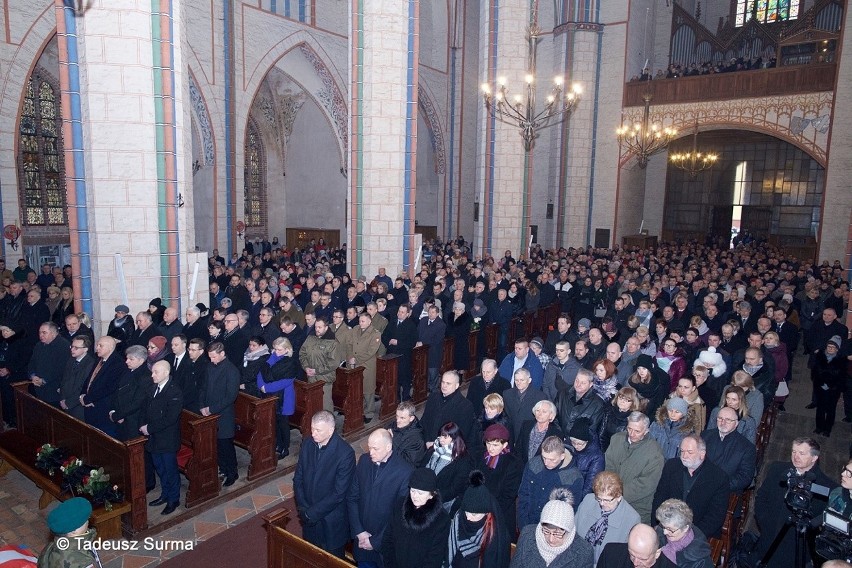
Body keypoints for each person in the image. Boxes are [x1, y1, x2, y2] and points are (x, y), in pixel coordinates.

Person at [743, 437, 838, 568]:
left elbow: (824, 518)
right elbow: (761, 496)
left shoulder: (827, 487)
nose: (796, 456)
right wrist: (764, 520)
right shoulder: (777, 469)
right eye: (794, 452)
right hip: (769, 537)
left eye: (802, 453)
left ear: (814, 457)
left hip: (796, 546)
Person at [294, 410, 356, 558]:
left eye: (318, 430)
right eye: (312, 428)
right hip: (308, 515)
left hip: (331, 522)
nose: (313, 433)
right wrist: (303, 506)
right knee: (311, 558)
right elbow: (298, 478)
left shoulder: (345, 453)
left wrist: (312, 513)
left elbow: (338, 493)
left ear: (331, 430)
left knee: (332, 561)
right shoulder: (308, 443)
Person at [347, 429, 414, 567]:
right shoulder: (364, 461)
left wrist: (375, 541)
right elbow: (352, 497)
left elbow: (400, 514)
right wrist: (359, 531)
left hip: (384, 545)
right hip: (362, 539)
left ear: (388, 447)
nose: (371, 452)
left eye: (375, 449)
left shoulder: (405, 472)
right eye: (369, 447)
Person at [651, 435, 730, 539]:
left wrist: (689, 536)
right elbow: (659, 496)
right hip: (666, 527)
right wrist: (657, 524)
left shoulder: (719, 478)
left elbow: (715, 517)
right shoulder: (671, 466)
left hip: (696, 533)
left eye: (689, 452)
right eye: (682, 451)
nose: (684, 456)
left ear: (702, 454)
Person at [381, 468, 451, 568]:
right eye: (413, 490)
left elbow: (434, 559)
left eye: (420, 493)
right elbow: (387, 540)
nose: (415, 496)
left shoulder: (442, 521)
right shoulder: (400, 505)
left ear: (432, 494)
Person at [139, 360, 183, 515]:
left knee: (170, 470)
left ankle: (173, 499)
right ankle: (165, 494)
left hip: (166, 438)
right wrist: (143, 424)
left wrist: (149, 428)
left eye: (156, 372)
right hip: (154, 438)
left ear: (166, 373)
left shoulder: (174, 392)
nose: (152, 375)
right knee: (160, 468)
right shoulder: (153, 388)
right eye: (152, 372)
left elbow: (170, 418)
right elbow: (145, 408)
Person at [604, 411, 665, 524]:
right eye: (629, 429)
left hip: (637, 507)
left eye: (637, 431)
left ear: (646, 431)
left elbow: (646, 484)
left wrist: (617, 494)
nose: (632, 434)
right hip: (611, 498)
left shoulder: (654, 452)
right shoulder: (616, 439)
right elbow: (609, 466)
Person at [511, 488, 595, 568]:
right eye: (546, 531)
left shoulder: (584, 552)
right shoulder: (527, 535)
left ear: (568, 530)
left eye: (557, 533)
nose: (551, 539)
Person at [447, 471, 512, 567]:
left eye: (474, 514)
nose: (468, 518)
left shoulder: (495, 537)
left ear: (486, 514)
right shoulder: (459, 518)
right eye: (466, 512)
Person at [575, 471, 641, 563]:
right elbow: (573, 532)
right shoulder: (588, 500)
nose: (602, 503)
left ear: (619, 496)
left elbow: (622, 558)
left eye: (607, 500)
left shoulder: (632, 519)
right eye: (599, 498)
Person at [518, 436, 584, 528]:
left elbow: (569, 511)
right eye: (544, 457)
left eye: (552, 460)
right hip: (528, 523)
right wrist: (523, 524)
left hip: (551, 530)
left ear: (562, 456)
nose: (546, 463)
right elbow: (523, 495)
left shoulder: (573, 477)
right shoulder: (533, 464)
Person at [201, 341, 240, 486]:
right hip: (209, 411)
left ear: (222, 354)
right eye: (209, 357)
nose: (211, 360)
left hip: (224, 415)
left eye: (213, 357)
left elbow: (230, 397)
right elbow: (203, 387)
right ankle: (222, 468)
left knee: (225, 445)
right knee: (216, 444)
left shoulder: (231, 370)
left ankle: (232, 472)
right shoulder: (210, 367)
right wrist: (202, 405)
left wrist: (211, 409)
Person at [475, 423, 523, 536]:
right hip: (477, 510)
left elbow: (508, 495)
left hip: (499, 514)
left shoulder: (513, 463)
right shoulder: (480, 457)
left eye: (495, 445)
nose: (490, 448)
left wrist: (488, 513)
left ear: (505, 444)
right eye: (488, 443)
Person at [256, 337, 300, 459]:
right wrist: (262, 386)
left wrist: (267, 388)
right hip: (270, 395)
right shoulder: (272, 357)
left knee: (283, 423)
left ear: (287, 349)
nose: (276, 352)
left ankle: (284, 447)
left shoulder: (291, 362)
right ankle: (276, 443)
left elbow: (286, 381)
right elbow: (261, 372)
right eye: (275, 349)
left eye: (279, 349)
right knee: (273, 421)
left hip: (284, 397)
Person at [701, 406, 757, 493]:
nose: (723, 422)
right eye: (720, 418)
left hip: (726, 491)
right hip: (700, 484)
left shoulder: (747, 447)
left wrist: (718, 485)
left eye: (728, 420)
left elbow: (745, 477)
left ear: (736, 423)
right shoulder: (705, 436)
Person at [80, 336, 126, 437]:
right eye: (97, 345)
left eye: (101, 346)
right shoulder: (99, 360)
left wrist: (89, 399)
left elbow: (110, 387)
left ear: (110, 348)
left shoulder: (118, 363)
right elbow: (89, 379)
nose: (97, 348)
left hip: (103, 408)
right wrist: (82, 395)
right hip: (90, 406)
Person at [422, 421, 473, 511]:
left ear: (454, 438)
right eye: (441, 435)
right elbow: (422, 468)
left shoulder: (463, 460)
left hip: (443, 501)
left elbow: (455, 488)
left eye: (445, 437)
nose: (441, 439)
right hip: (424, 492)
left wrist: (433, 498)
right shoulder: (433, 449)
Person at [37, 497, 99, 568]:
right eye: (86, 520)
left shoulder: (51, 547)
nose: (88, 522)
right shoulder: (83, 562)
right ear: (74, 530)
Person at [108, 345, 151, 441]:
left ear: (141, 360)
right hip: (120, 416)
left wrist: (119, 415)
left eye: (131, 359)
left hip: (132, 421)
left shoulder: (146, 377)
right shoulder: (127, 371)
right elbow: (117, 391)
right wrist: (113, 410)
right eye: (127, 358)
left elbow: (136, 402)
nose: (127, 361)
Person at [654, 499, 713, 568]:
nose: (665, 532)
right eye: (663, 526)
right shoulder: (659, 533)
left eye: (670, 530)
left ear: (685, 528)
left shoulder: (700, 558)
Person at [300, 317, 342, 412]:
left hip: (324, 379)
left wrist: (316, 370)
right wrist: (306, 367)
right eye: (316, 327)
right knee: (313, 405)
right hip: (311, 378)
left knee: (325, 406)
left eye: (320, 327)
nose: (317, 329)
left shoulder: (333, 343)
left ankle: (329, 426)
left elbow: (333, 362)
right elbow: (302, 353)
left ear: (326, 327)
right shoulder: (310, 338)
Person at [349, 312, 385, 423]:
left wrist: (357, 359)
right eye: (360, 321)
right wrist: (350, 357)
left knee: (368, 390)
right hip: (353, 364)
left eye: (363, 321)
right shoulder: (355, 329)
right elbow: (349, 344)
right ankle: (358, 410)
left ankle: (369, 412)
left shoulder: (375, 334)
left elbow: (371, 351)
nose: (360, 323)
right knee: (356, 389)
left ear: (369, 322)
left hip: (366, 365)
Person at [554, 368, 607, 439]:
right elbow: (554, 416)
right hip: (558, 436)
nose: (578, 385)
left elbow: (592, 428)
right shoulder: (562, 394)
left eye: (583, 383)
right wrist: (560, 435)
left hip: (579, 442)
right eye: (577, 380)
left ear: (590, 384)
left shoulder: (597, 404)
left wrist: (574, 440)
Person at [28, 322, 70, 408]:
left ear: (53, 333)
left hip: (54, 390)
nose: (41, 335)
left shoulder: (63, 346)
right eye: (40, 332)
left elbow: (60, 369)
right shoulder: (38, 345)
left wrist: (44, 380)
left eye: (44, 332)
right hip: (38, 388)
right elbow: (32, 363)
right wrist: (33, 376)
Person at [382, 304, 418, 402]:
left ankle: (406, 397)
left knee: (405, 377)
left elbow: (412, 342)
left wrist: (398, 342)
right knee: (394, 377)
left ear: (407, 314)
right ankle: (396, 397)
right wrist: (389, 341)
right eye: (399, 311)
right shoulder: (392, 322)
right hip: (391, 354)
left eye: (402, 312)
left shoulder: (411, 325)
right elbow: (384, 336)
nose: (399, 314)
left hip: (404, 356)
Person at [597, 523, 676, 568]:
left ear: (657, 553)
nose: (635, 563)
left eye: (643, 559)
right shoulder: (610, 554)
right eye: (632, 554)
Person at [811, 335, 845, 437]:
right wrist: (819, 383)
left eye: (832, 347)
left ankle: (827, 429)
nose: (830, 349)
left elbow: (841, 377)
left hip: (833, 390)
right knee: (820, 408)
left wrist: (830, 385)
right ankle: (819, 427)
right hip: (820, 388)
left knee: (831, 410)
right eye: (828, 346)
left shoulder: (841, 361)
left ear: (837, 349)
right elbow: (814, 372)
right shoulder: (820, 356)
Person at [503, 368, 548, 441]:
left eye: (522, 380)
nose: (518, 382)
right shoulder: (507, 394)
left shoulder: (540, 396)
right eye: (516, 380)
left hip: (530, 435)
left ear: (529, 380)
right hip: (511, 434)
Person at [58, 335, 95, 421]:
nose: (72, 349)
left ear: (85, 349)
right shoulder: (71, 360)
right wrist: (62, 398)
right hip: (65, 400)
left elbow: (83, 387)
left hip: (77, 406)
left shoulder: (90, 364)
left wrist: (68, 403)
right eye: (72, 346)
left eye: (76, 348)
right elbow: (64, 380)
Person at [567, 418, 605, 498]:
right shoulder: (567, 447)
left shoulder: (596, 457)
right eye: (573, 442)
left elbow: (590, 485)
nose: (576, 446)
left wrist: (577, 499)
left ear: (587, 441)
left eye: (580, 444)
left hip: (580, 495)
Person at [516, 399, 563, 464]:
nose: (540, 414)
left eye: (544, 412)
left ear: (551, 415)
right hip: (522, 466)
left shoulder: (556, 433)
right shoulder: (526, 425)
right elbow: (518, 447)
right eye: (537, 410)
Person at [600, 386, 641, 452]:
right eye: (621, 397)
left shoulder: (634, 419)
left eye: (627, 400)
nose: (622, 401)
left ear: (633, 403)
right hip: (603, 448)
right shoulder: (609, 411)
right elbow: (601, 434)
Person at [446, 301, 472, 374]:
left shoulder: (466, 319)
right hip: (451, 341)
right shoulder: (450, 316)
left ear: (463, 311)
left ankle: (460, 374)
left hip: (461, 342)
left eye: (459, 309)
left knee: (460, 360)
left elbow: (465, 330)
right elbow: (448, 328)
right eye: (456, 309)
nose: (457, 311)